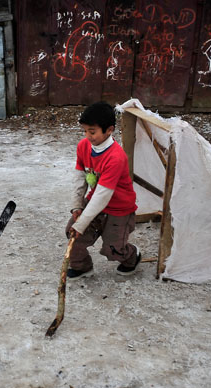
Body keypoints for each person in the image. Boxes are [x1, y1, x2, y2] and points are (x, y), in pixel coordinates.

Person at [65, 101, 141, 279]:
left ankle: (132, 256)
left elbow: (103, 195)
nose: (87, 136)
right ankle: (82, 267)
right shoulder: (83, 146)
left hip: (118, 209)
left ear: (109, 130)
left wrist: (82, 222)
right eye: (84, 131)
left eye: (92, 132)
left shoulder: (115, 157)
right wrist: (77, 207)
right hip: (95, 201)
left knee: (113, 250)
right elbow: (80, 176)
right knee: (73, 234)